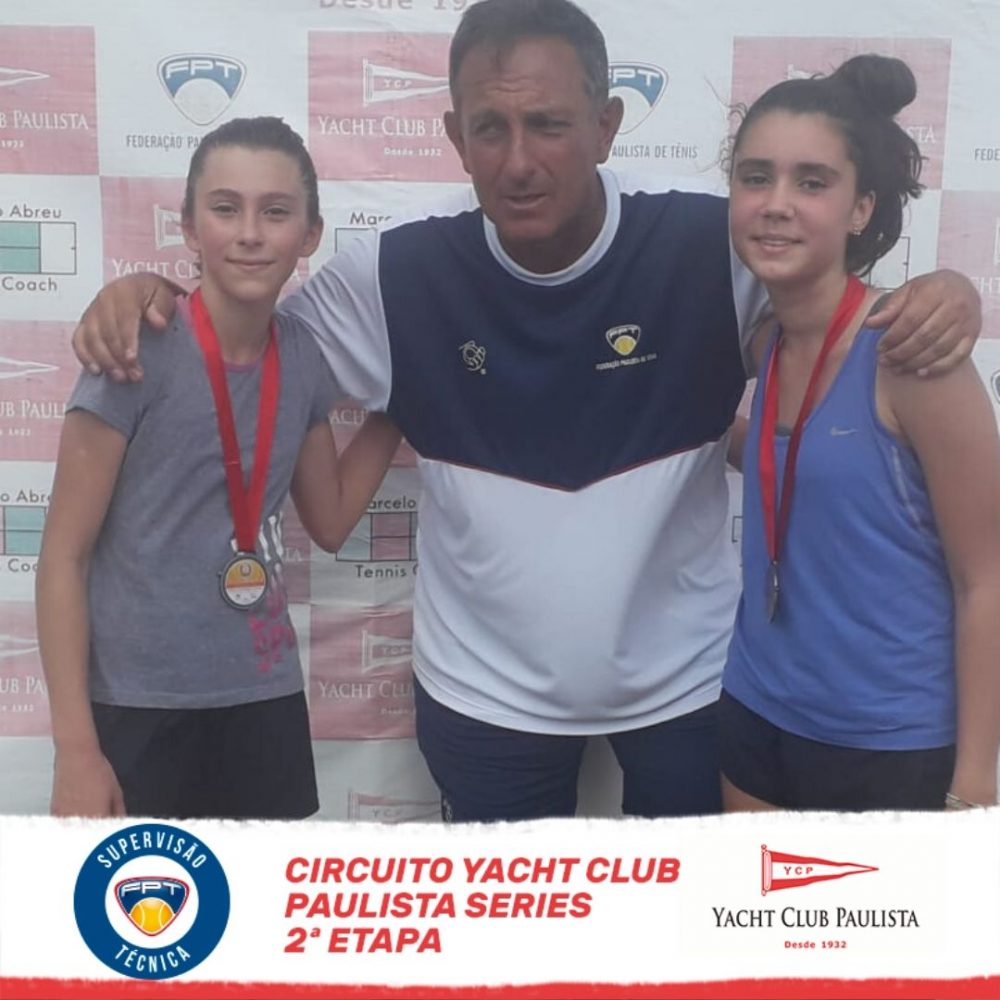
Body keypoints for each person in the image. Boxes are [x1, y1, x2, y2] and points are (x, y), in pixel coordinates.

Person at [70, 0, 982, 822]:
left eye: (548, 124)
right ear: (454, 137)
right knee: (507, 939)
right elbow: (244, 333)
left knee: (694, 933)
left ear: (606, 125)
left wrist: (949, 291)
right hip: (483, 699)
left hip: (695, 689)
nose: (518, 160)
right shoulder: (393, 276)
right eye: (489, 128)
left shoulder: (717, 246)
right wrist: (145, 293)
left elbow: (829, 308)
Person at [37, 117, 401, 820]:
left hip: (262, 695)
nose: (250, 234)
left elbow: (329, 519)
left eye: (276, 212)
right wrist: (75, 750)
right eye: (226, 208)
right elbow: (62, 557)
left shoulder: (302, 356)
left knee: (257, 892)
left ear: (311, 234)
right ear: (189, 227)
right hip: (137, 706)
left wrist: (405, 403)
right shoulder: (132, 348)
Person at [721, 56, 1000, 811]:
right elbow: (806, 464)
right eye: (756, 177)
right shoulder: (765, 344)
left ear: (860, 208)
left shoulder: (911, 354)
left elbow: (986, 578)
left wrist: (976, 783)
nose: (777, 204)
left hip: (890, 744)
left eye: (812, 182)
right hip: (756, 708)